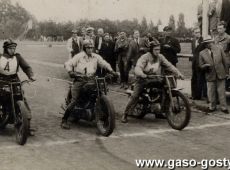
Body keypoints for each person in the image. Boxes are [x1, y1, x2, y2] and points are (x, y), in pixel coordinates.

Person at [121, 39, 184, 123]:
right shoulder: (145, 57)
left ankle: (160, 111)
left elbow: (169, 65)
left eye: (159, 49)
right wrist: (141, 74)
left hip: (153, 77)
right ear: (151, 49)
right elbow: (138, 67)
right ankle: (125, 114)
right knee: (135, 95)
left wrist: (178, 73)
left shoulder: (160, 57)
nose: (158, 51)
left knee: (164, 88)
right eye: (156, 50)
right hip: (142, 78)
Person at [61, 39, 117, 129]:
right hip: (80, 79)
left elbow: (104, 63)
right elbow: (68, 63)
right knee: (74, 100)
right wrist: (70, 72)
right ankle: (64, 120)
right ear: (84, 48)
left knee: (101, 91)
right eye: (88, 48)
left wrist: (112, 71)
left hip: (92, 79)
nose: (90, 49)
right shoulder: (79, 56)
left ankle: (103, 114)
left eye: (91, 48)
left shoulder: (96, 57)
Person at [0, 39, 36, 134]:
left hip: (14, 80)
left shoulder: (18, 57)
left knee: (22, 98)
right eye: (10, 48)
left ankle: (27, 126)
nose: (12, 50)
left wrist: (31, 75)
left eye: (14, 48)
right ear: (5, 49)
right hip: (2, 80)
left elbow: (26, 67)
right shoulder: (0, 57)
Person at [199, 35, 229, 113]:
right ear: (205, 44)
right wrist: (205, 66)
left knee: (221, 91)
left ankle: (224, 107)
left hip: (220, 73)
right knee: (211, 91)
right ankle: (212, 107)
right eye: (207, 43)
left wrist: (227, 72)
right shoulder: (202, 53)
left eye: (210, 42)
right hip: (210, 74)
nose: (209, 44)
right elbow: (200, 65)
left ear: (212, 42)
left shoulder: (219, 49)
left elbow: (225, 62)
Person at [191, 27, 207, 100]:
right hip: (194, 62)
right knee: (193, 78)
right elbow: (193, 52)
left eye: (198, 32)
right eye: (196, 32)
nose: (198, 34)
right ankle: (193, 94)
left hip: (200, 63)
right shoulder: (193, 41)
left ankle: (198, 96)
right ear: (194, 33)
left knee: (200, 79)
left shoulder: (203, 41)